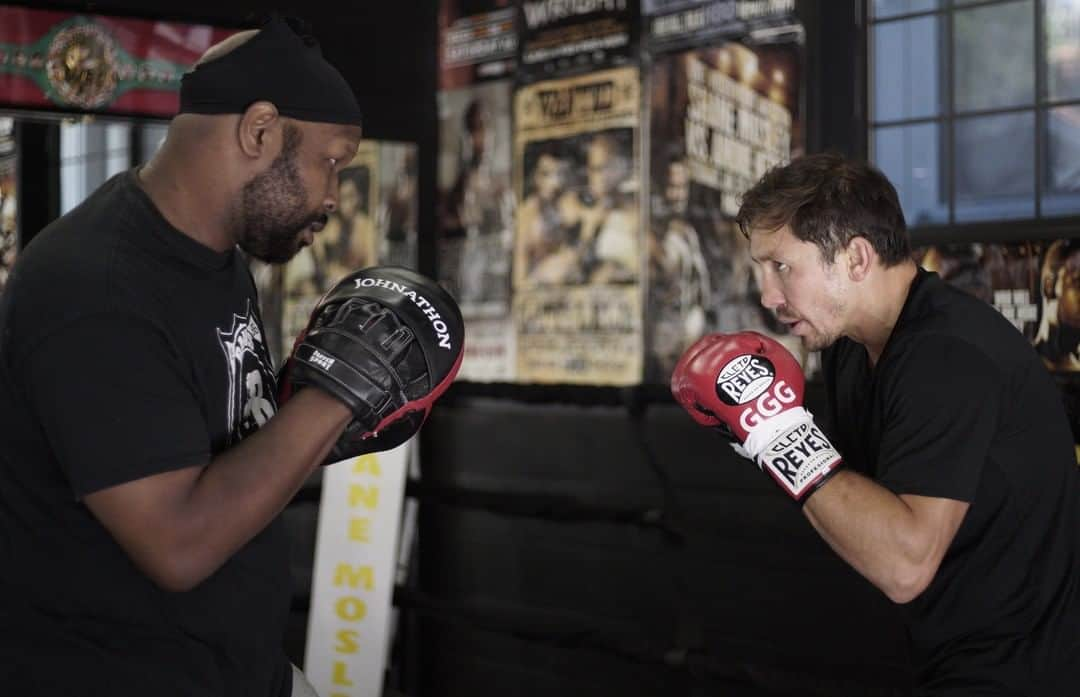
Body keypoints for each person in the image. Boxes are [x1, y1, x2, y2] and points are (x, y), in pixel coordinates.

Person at [0, 15, 463, 697]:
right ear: (260, 131)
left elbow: (220, 444)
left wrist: (309, 429)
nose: (334, 196)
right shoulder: (91, 288)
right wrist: (340, 391)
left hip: (234, 668)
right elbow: (178, 542)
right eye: (331, 162)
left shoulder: (215, 259)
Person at [671, 152, 1080, 695]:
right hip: (948, 656)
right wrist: (765, 439)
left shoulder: (946, 356)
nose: (768, 296)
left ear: (856, 258)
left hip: (1024, 672)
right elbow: (851, 504)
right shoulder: (849, 350)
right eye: (760, 270)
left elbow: (904, 566)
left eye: (782, 267)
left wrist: (777, 433)